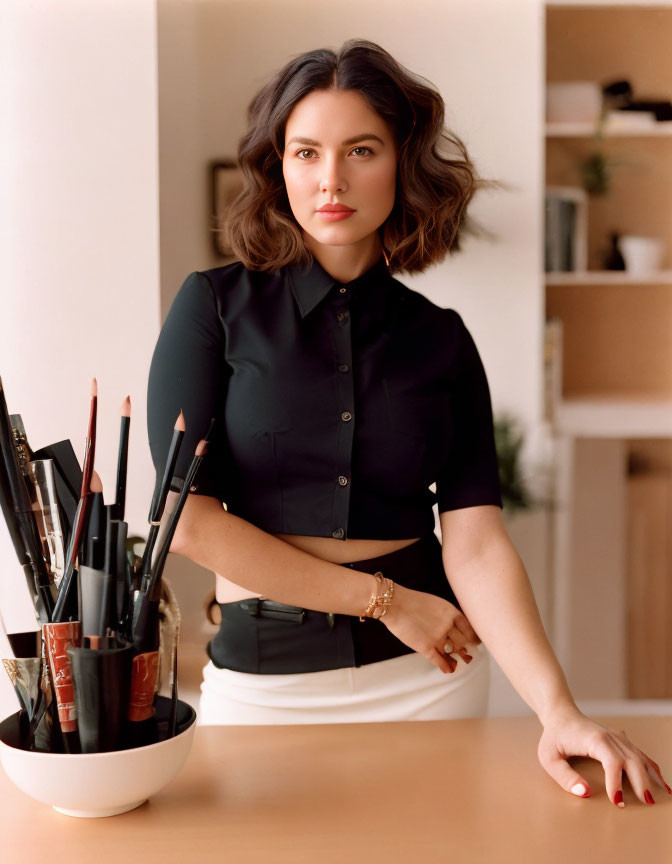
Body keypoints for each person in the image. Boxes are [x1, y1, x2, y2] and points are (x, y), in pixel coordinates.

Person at [147, 39, 670, 807]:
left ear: (403, 162)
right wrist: (390, 603)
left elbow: (477, 539)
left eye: (361, 149)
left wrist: (558, 711)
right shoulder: (213, 309)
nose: (331, 179)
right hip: (263, 689)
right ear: (277, 167)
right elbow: (185, 521)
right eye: (306, 152)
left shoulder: (443, 338)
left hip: (430, 683)